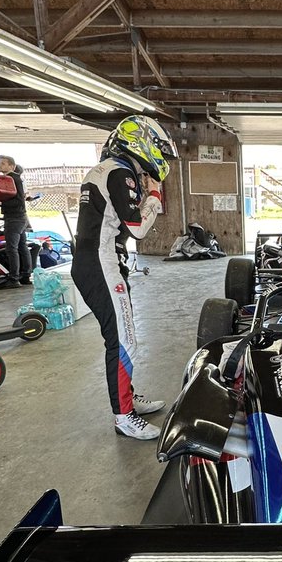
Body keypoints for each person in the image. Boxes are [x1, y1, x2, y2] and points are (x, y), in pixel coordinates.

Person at [71, 115, 174, 441]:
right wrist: (155, 196)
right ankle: (124, 416)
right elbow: (137, 228)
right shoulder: (121, 173)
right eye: (157, 149)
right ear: (141, 141)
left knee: (120, 337)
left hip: (94, 263)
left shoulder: (104, 169)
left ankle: (127, 399)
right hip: (102, 265)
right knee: (123, 340)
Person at [0, 155, 33, 288]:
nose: (0, 165)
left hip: (14, 218)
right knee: (22, 246)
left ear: (12, 166)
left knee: (12, 248)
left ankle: (14, 278)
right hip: (19, 217)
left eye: (3, 163)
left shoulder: (13, 179)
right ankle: (25, 275)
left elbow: (18, 201)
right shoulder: (14, 179)